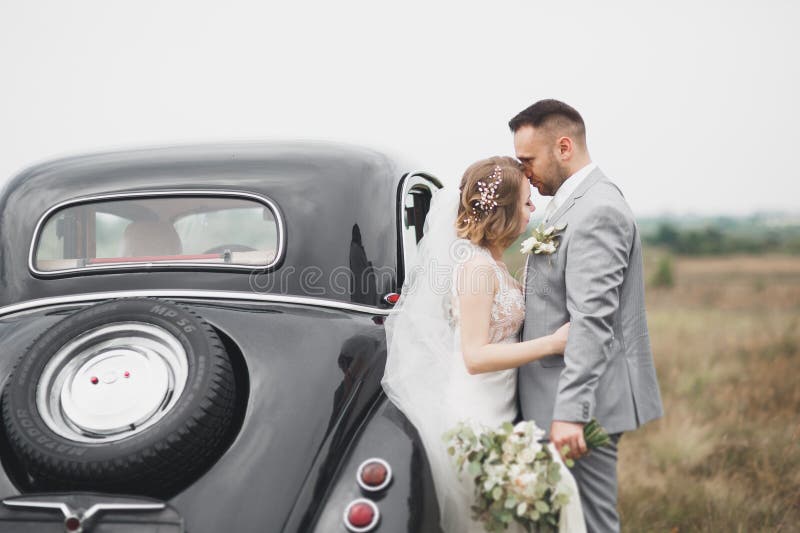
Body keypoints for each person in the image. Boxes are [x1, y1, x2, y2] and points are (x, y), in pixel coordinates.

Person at [383, 156, 585, 533]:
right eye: (526, 202)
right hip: (477, 419)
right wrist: (552, 344)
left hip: (502, 413)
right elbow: (474, 356)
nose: (533, 208)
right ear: (505, 211)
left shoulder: (495, 264)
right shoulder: (476, 268)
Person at [510, 99, 664, 533]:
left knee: (592, 524)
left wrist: (571, 413)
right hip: (554, 397)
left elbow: (592, 320)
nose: (524, 173)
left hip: (578, 404)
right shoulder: (570, 203)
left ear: (563, 147)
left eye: (528, 161)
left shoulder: (598, 210)